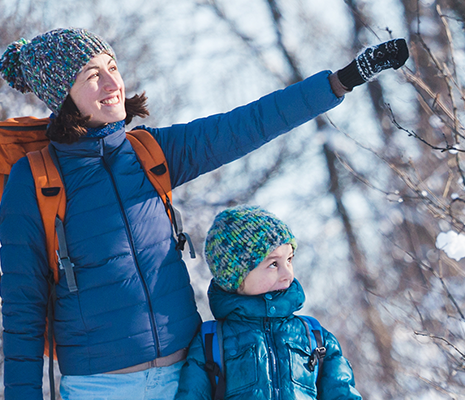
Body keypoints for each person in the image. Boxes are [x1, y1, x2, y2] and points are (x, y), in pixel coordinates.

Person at [0, 27, 407, 399]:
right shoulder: (33, 181)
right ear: (63, 95)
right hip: (101, 386)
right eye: (92, 76)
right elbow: (23, 308)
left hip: (189, 377)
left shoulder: (148, 154)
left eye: (112, 67)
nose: (113, 84)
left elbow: (246, 125)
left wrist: (341, 80)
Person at [175, 205, 362, 400]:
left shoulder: (314, 336)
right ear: (236, 278)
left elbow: (342, 393)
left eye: (289, 260)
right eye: (273, 264)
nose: (287, 273)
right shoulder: (211, 342)